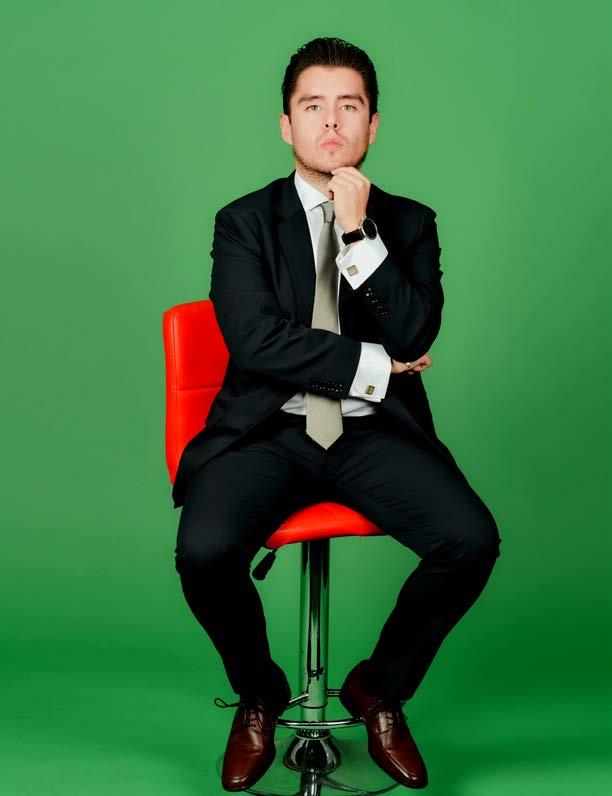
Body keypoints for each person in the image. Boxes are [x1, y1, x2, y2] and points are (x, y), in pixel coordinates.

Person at [173, 36, 502, 792]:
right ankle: (260, 693)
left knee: (470, 541)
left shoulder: (409, 223)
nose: (330, 122)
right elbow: (256, 343)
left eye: (347, 106)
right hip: (268, 429)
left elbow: (413, 334)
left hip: (373, 431)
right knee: (203, 552)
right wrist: (375, 364)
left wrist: (357, 234)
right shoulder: (244, 222)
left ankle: (379, 689)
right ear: (286, 124)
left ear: (372, 124)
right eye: (312, 106)